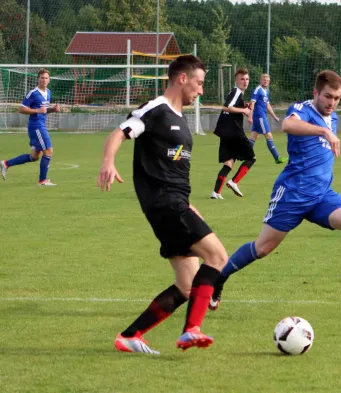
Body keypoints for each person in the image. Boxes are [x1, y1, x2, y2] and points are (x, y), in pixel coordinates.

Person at [208, 70, 341, 311]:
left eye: (337, 98)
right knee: (262, 248)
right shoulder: (303, 109)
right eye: (328, 97)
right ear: (316, 92)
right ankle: (218, 279)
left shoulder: (332, 117)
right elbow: (288, 124)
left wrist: (328, 129)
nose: (332, 103)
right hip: (292, 194)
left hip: (322, 195)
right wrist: (324, 131)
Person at [96, 55, 228, 354]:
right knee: (217, 257)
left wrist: (189, 205)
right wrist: (108, 162)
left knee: (186, 286)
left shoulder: (180, 119)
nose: (201, 90)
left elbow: (174, 171)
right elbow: (120, 132)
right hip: (164, 204)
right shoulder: (156, 110)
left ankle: (130, 336)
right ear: (182, 78)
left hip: (175, 203)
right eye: (199, 83)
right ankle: (191, 330)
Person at [1, 69, 60, 185]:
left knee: (35, 156)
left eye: (46, 78)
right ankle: (42, 180)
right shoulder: (33, 93)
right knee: (48, 151)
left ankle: (6, 164)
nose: (44, 80)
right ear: (38, 79)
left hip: (40, 125)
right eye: (42, 78)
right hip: (36, 126)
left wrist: (52, 109)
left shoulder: (48, 92)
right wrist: (37, 110)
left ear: (49, 80)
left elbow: (43, 110)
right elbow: (21, 109)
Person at [210, 68, 256, 199]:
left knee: (229, 162)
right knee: (251, 158)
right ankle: (234, 181)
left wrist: (245, 107)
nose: (245, 81)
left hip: (226, 132)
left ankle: (216, 192)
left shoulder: (236, 93)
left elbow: (233, 107)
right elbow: (227, 107)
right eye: (242, 79)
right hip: (234, 132)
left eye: (247, 79)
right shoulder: (237, 91)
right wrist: (245, 111)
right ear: (236, 80)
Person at [249, 74, 287, 164]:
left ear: (269, 82)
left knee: (253, 137)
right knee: (268, 135)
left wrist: (274, 116)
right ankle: (277, 157)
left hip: (261, 116)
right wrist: (250, 116)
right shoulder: (258, 90)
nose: (265, 81)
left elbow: (267, 105)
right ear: (260, 81)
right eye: (264, 80)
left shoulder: (266, 91)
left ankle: (243, 153)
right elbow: (252, 103)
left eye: (267, 80)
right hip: (260, 116)